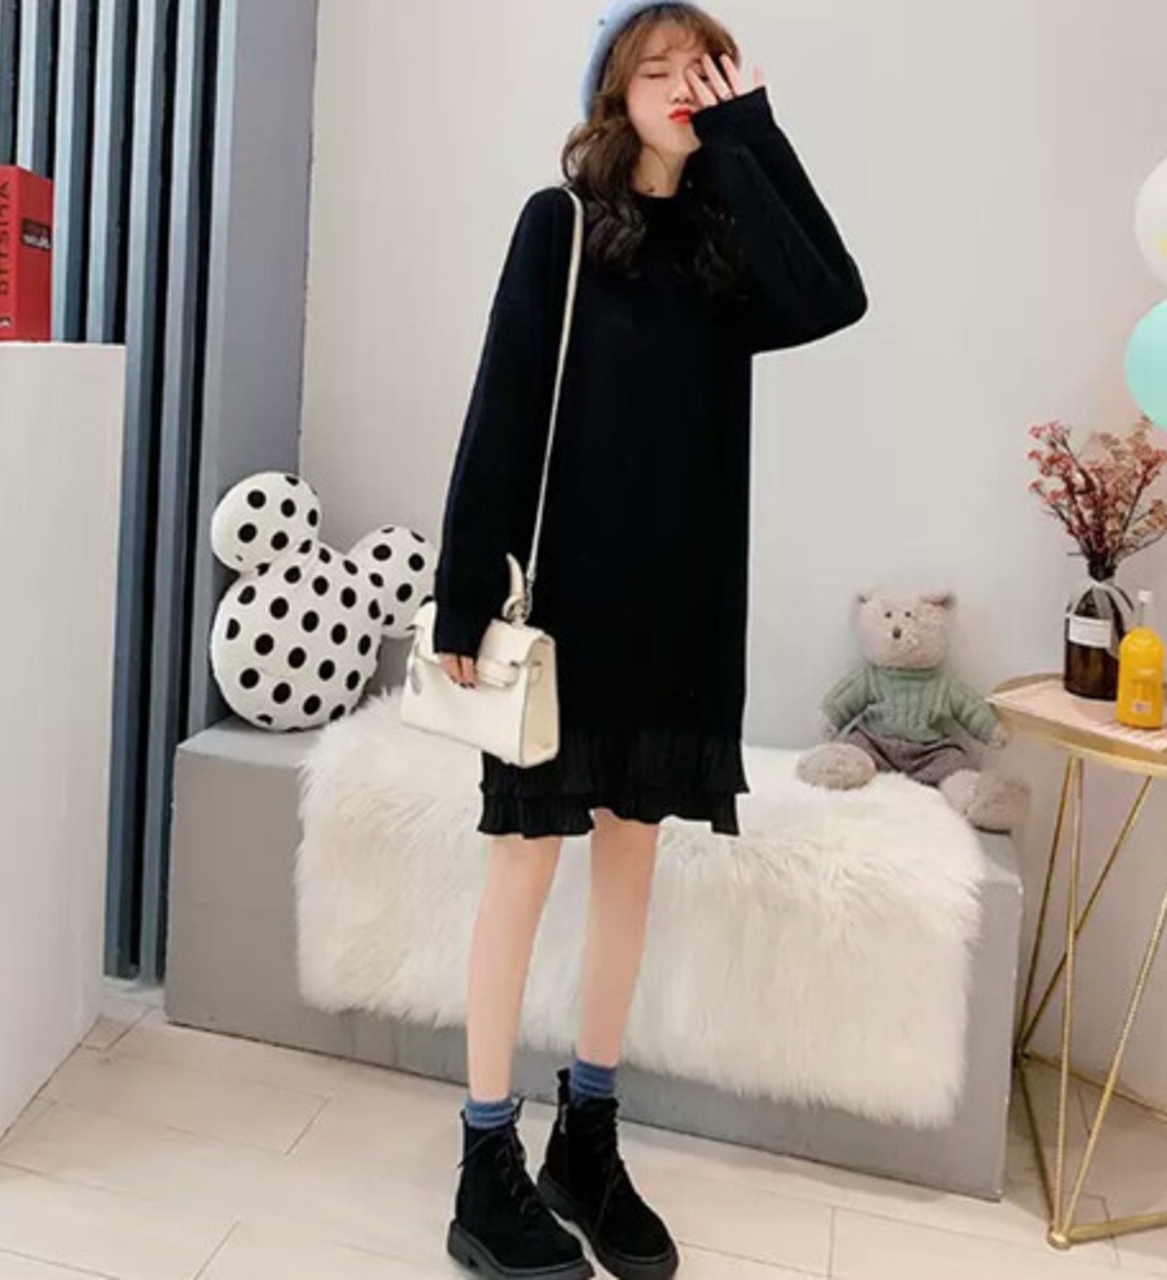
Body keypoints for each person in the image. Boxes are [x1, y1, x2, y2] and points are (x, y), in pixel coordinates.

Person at [432, 4, 868, 1277]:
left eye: (702, 69)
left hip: (678, 610)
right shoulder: (559, 226)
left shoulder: (728, 247)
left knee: (630, 864)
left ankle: (588, 1135)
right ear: (613, 94)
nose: (680, 87)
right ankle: (483, 1158)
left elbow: (832, 294)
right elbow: (501, 407)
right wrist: (461, 594)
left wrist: (752, 135)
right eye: (655, 70)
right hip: (563, 611)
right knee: (523, 865)